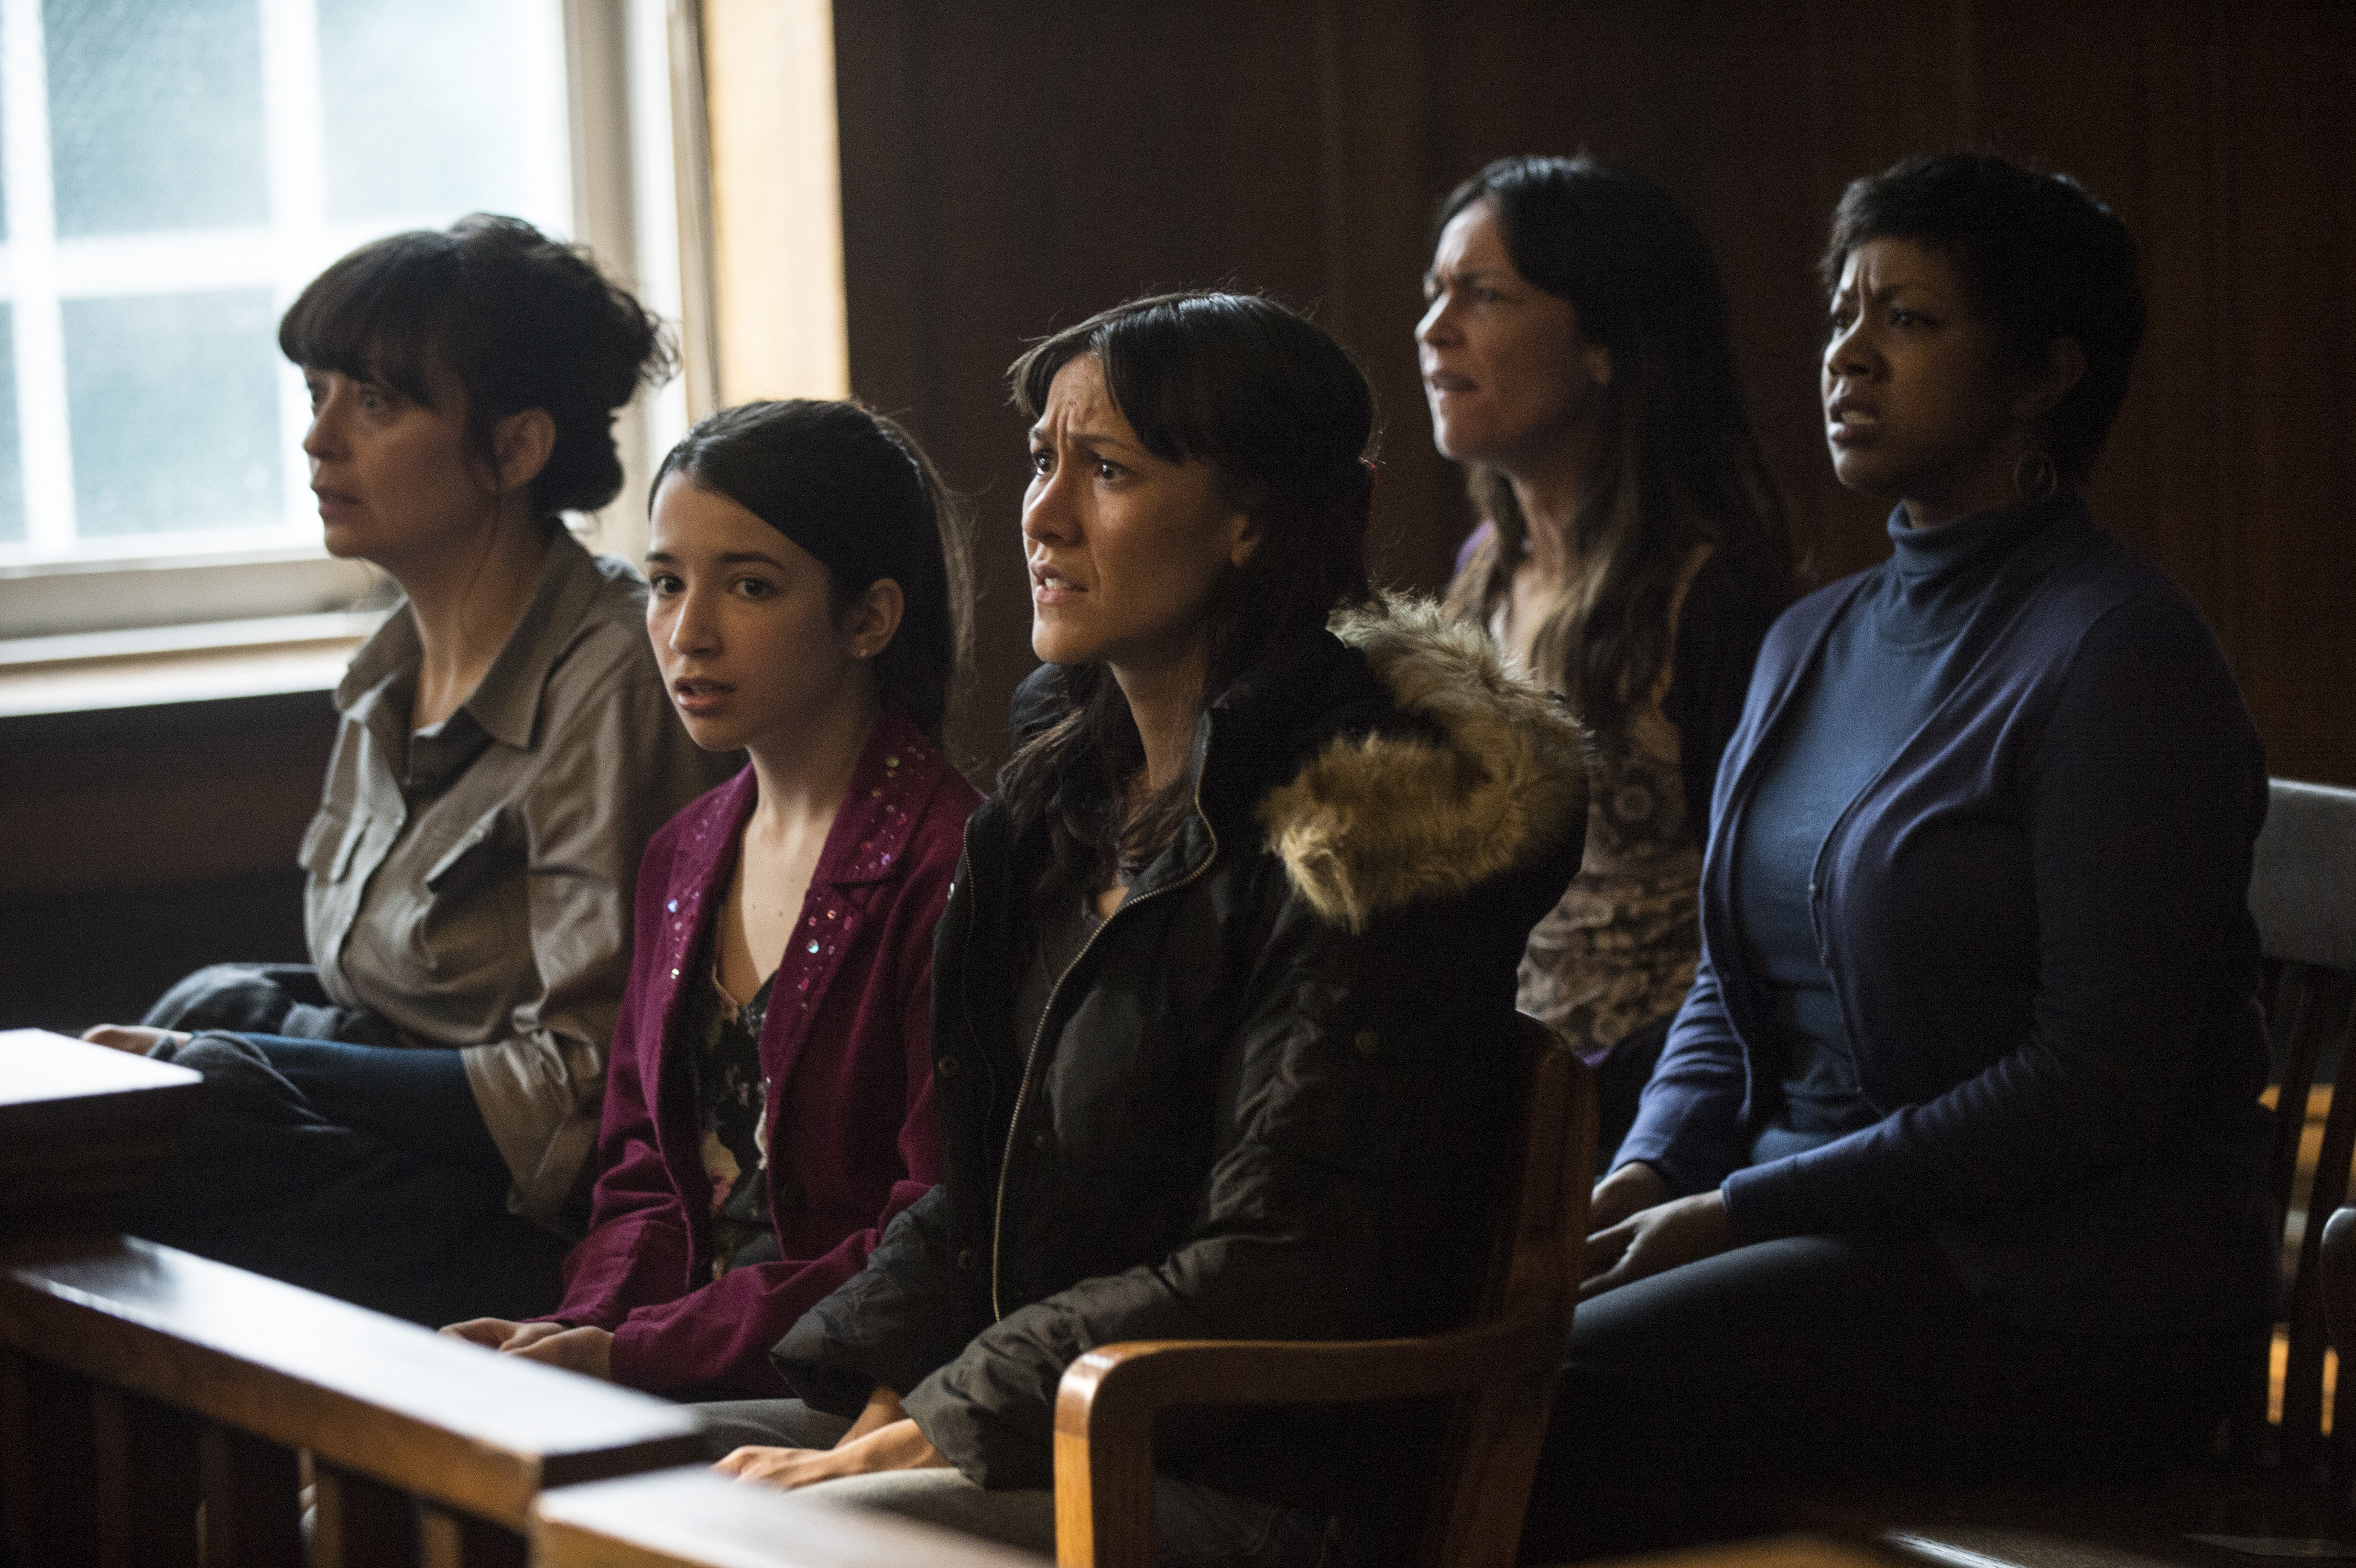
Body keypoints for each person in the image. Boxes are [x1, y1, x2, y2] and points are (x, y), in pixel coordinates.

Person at [687, 293, 1588, 1564]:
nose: (1044, 517)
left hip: (1249, 1464)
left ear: (1252, 522)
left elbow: (1290, 1264)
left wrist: (952, 1414)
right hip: (1047, 1410)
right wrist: (887, 1393)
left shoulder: (1371, 829)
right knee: (582, 1484)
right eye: (1043, 462)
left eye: (1105, 471)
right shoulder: (1052, 807)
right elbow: (973, 1191)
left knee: (753, 1550)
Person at [1525, 151, 2275, 1558]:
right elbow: (1723, 986)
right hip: (1812, 1240)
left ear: (2046, 371)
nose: (1847, 357)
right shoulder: (1814, 637)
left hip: (2056, 1299)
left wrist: (1740, 1207)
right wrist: (1645, 1172)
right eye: (1841, 314)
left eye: (1910, 321)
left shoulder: (2122, 654)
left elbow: (2091, 1086)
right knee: (1451, 1345)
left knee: (1531, 1400)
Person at [80, 216, 728, 1326]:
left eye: (374, 403)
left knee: (160, 1124)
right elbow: (362, 998)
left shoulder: (614, 673)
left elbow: (581, 1091)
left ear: (515, 449)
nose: (319, 442)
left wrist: (243, 1060)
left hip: (522, 1215)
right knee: (187, 1028)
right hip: (385, 1145)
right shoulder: (391, 673)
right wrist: (230, 1035)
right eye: (317, 393)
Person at [441, 399, 981, 1397]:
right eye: (663, 583)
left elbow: (926, 1229)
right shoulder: (684, 853)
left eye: (749, 586)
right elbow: (644, 1175)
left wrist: (630, 1357)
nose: (688, 632)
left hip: (847, 1382)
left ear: (868, 616)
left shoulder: (951, 866)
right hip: (671, 1358)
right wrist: (571, 1333)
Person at [1419, 155, 1795, 1158]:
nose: (1433, 327)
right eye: (1434, 293)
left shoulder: (1719, 602)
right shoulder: (1484, 571)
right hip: (1492, 1093)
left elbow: (1767, 949)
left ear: (1606, 343)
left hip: (1647, 1116)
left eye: (1484, 295)